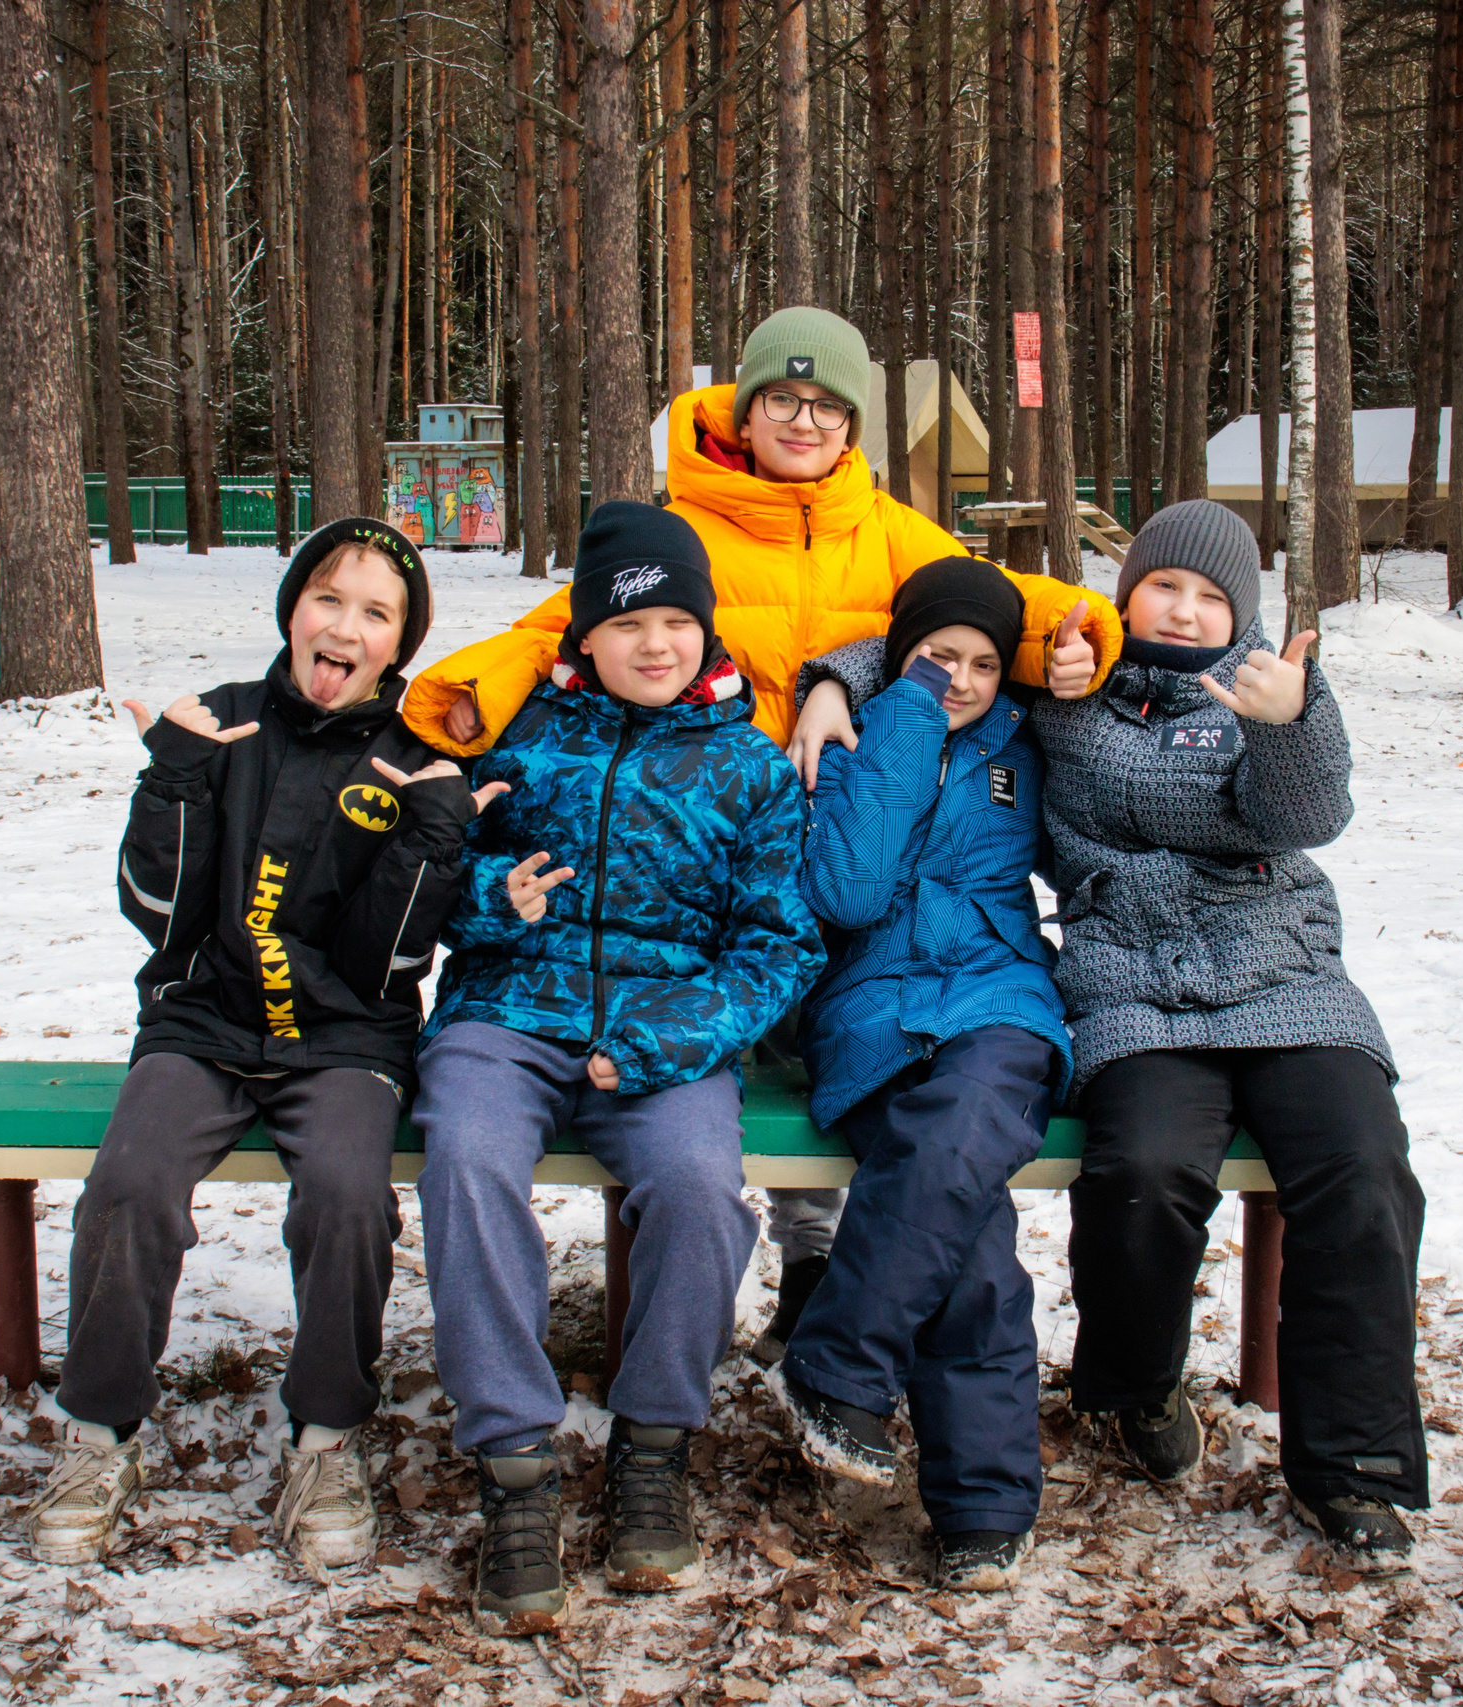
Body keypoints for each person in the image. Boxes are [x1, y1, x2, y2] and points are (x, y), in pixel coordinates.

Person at [401, 307, 1122, 1357]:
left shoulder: (882, 528)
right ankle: (790, 1255)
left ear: (851, 427)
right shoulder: (683, 526)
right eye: (782, 399)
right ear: (742, 408)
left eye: (827, 407)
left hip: (839, 824)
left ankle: (816, 1252)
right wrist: (474, 688)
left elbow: (986, 609)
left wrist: (1077, 639)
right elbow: (562, 628)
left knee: (825, 1000)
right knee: (753, 1010)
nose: (803, 421)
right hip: (701, 832)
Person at [790, 500, 1427, 1575]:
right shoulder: (1062, 684)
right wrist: (838, 677)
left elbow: (1303, 815)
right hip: (1128, 978)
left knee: (1363, 1174)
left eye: (1211, 596)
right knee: (1137, 1172)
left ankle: (1354, 1467)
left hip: (1282, 970)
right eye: (1163, 587)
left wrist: (1294, 717)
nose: (1182, 611)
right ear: (1121, 594)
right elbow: (949, 635)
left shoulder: (1262, 690)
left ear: (1245, 614)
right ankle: (1133, 1387)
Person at [30, 519, 484, 1572]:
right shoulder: (221, 724)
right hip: (202, 1020)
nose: (346, 626)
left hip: (344, 1040)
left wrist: (431, 842)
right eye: (329, 597)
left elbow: (385, 968)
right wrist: (175, 782)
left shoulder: (413, 759)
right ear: (292, 609)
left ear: (399, 643)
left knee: (344, 1194)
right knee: (131, 1184)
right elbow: (158, 914)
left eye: (378, 613)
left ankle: (325, 1434)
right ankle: (99, 1429)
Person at [411, 502, 824, 1632]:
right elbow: (423, 882)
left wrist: (665, 1039)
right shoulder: (517, 741)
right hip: (509, 1011)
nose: (656, 643)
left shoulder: (747, 768)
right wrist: (494, 899)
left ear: (707, 633)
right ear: (584, 636)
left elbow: (778, 943)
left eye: (678, 621)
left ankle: (653, 1446)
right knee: (466, 1160)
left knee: (697, 1188)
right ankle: (514, 1468)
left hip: (666, 1029)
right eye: (629, 621)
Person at [766, 561, 1072, 1593]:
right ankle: (983, 1502)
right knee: (971, 1236)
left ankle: (837, 1362)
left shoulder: (1028, 746)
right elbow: (845, 891)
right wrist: (901, 713)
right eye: (939, 656)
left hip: (999, 998)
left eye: (985, 662)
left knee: (951, 1145)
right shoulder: (850, 737)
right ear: (901, 656)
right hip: (873, 1008)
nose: (964, 677)